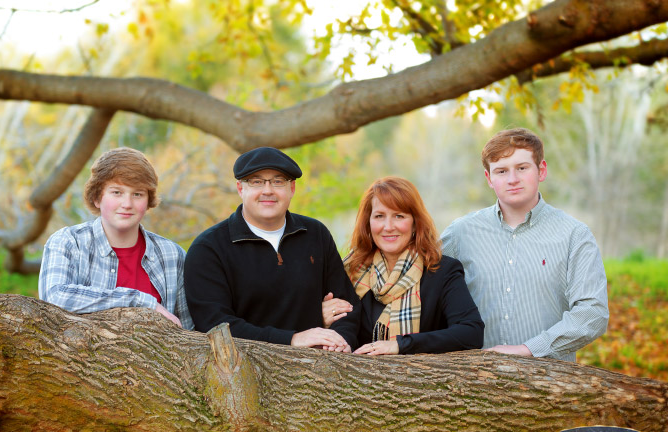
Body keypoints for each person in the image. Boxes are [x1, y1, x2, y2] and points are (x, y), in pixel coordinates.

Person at [35, 147, 191, 432]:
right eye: (116, 192)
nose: (127, 203)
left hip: (140, 417)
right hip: (67, 408)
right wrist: (142, 302)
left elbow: (188, 330)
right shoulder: (68, 243)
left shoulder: (172, 255)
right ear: (97, 197)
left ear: (148, 201)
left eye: (138, 194)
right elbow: (56, 296)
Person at [441, 127, 609, 361]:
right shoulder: (459, 234)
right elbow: (422, 289)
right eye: (501, 171)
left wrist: (530, 349)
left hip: (550, 383)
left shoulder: (574, 235)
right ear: (489, 178)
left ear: (541, 170)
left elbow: (593, 313)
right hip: (475, 383)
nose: (512, 179)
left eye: (522, 168)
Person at [184, 146, 360, 351]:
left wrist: (340, 342)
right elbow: (215, 326)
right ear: (241, 189)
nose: (268, 190)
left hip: (320, 364)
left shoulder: (315, 234)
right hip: (247, 373)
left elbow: (346, 306)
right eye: (256, 181)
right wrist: (293, 338)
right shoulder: (209, 249)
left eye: (278, 181)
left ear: (291, 188)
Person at [323, 176, 484, 355]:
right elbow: (339, 333)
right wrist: (321, 319)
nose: (388, 226)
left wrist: (401, 345)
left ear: (415, 223)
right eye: (379, 216)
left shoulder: (442, 271)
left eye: (399, 216)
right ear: (368, 224)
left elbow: (471, 332)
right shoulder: (351, 271)